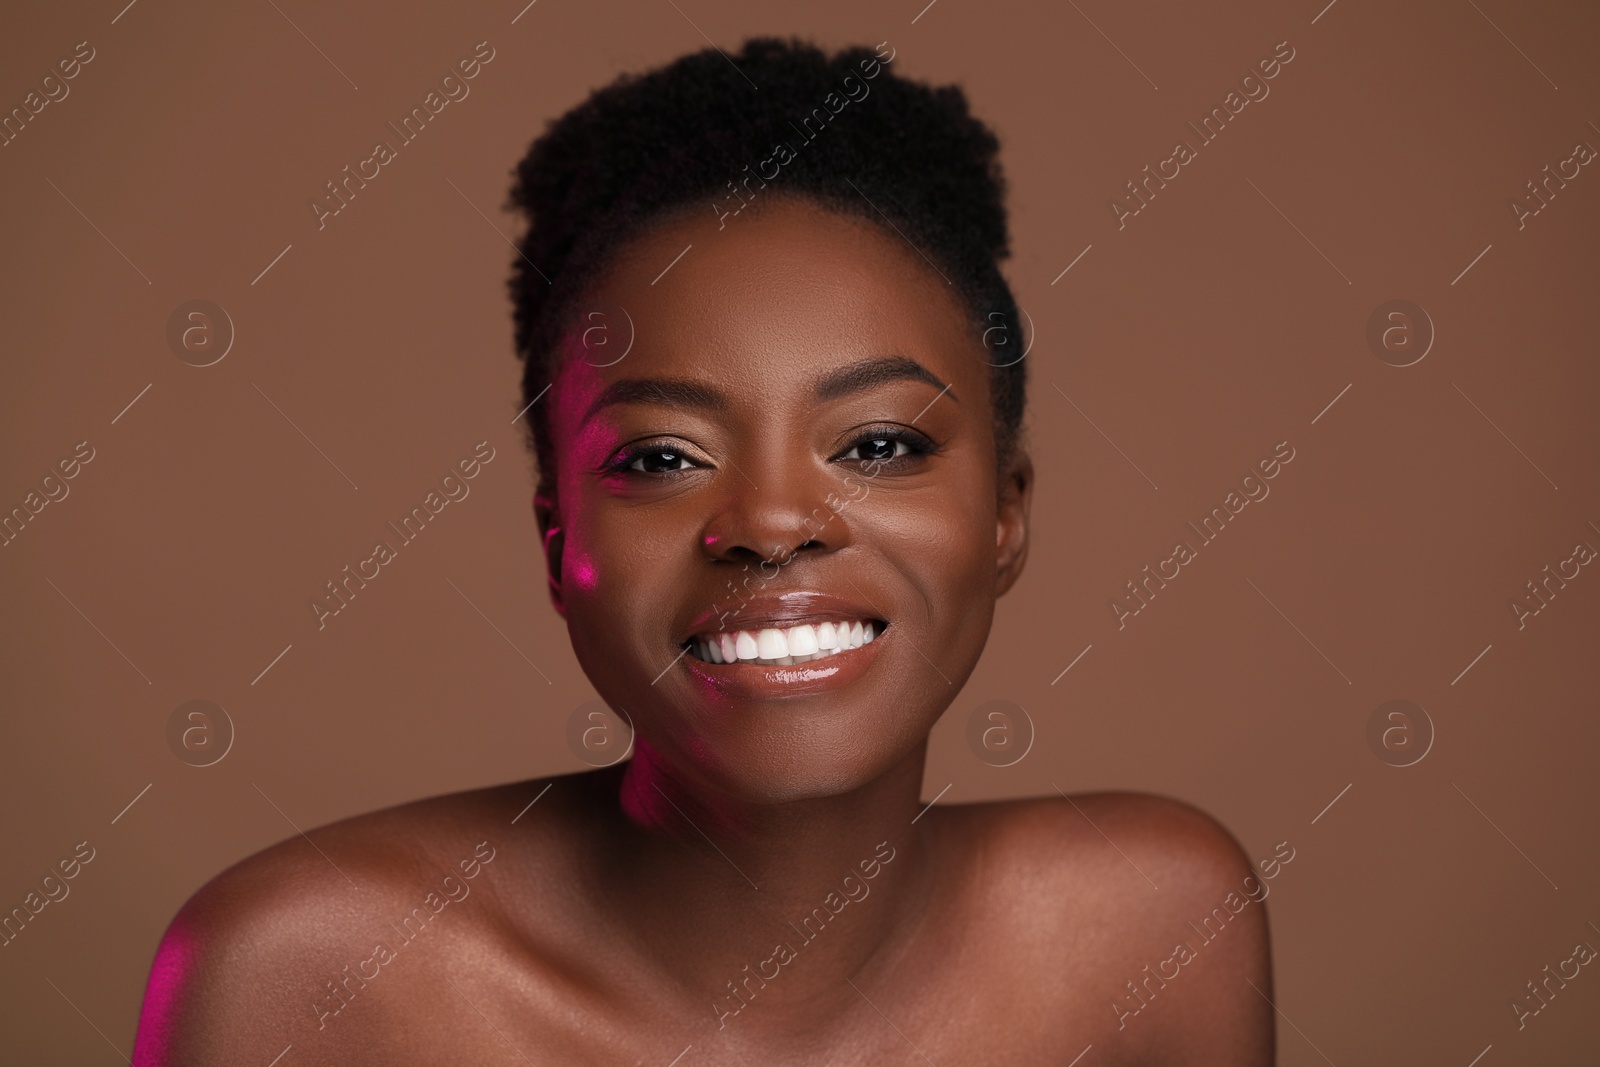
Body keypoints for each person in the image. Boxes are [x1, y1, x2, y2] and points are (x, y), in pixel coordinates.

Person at [133, 36, 1274, 1065]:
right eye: (662, 458)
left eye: (877, 442)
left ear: (1006, 513)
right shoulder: (305, 982)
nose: (773, 523)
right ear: (557, 541)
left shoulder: (1156, 933)